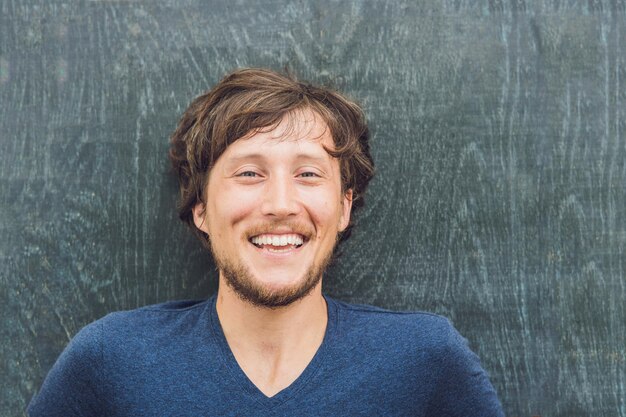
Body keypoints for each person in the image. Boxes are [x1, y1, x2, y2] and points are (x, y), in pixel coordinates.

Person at [28, 68, 504, 416]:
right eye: (250, 173)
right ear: (201, 209)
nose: (280, 203)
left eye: (308, 174)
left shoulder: (425, 360)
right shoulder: (112, 360)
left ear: (342, 207)